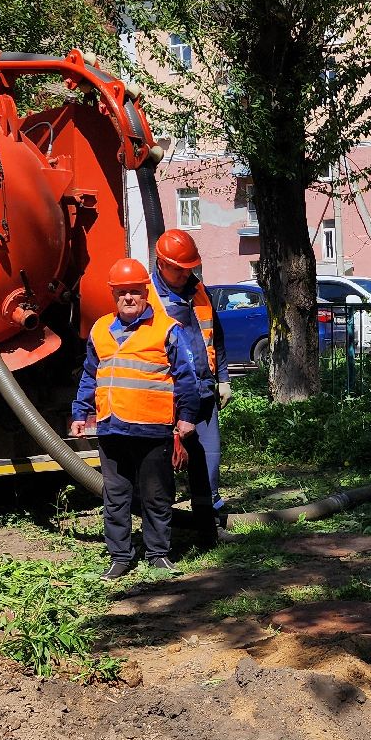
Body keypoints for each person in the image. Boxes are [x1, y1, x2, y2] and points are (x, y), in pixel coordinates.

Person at [70, 257, 211, 578]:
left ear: (145, 292)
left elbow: (186, 378)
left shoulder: (166, 330)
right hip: (111, 428)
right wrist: (81, 413)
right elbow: (89, 376)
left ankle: (158, 553)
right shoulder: (100, 330)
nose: (129, 298)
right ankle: (120, 557)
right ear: (113, 295)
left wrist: (187, 416)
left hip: (153, 428)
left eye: (135, 291)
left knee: (156, 494)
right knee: (116, 497)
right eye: (122, 293)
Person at [148, 229, 228, 540]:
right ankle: (167, 532)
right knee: (165, 465)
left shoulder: (199, 291)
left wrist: (223, 379)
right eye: (179, 268)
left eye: (189, 267)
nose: (186, 273)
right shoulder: (148, 297)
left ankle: (208, 525)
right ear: (161, 263)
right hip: (170, 397)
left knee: (209, 458)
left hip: (205, 391)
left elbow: (215, 336)